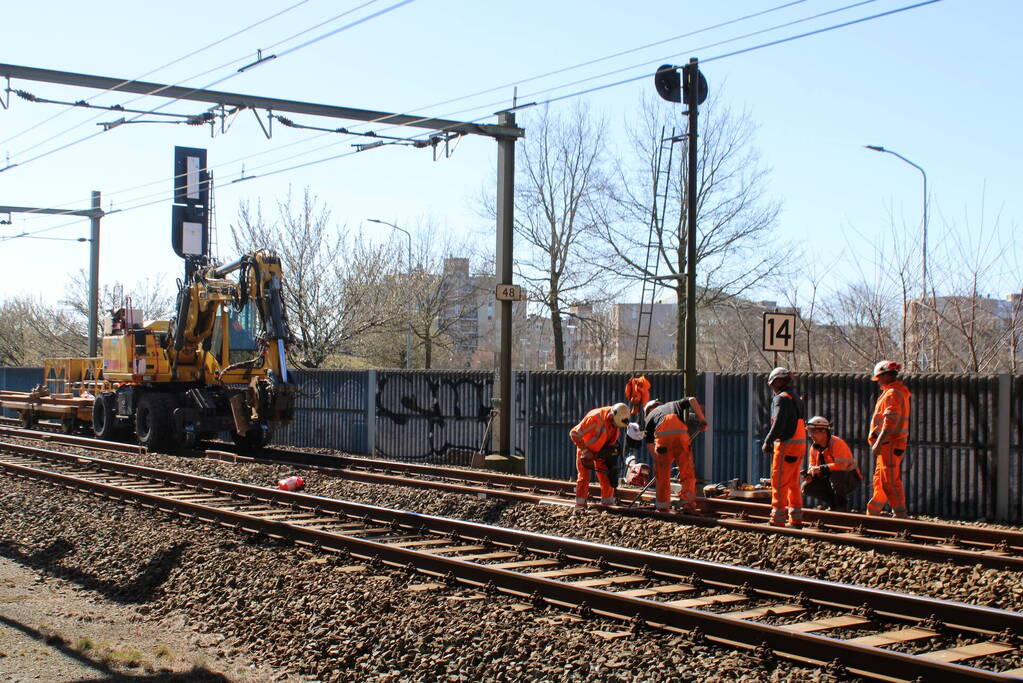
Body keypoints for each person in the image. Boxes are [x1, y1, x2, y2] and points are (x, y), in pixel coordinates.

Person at [642, 397, 708, 513]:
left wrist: (659, 460)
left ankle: (662, 506)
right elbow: (692, 399)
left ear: (647, 411)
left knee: (662, 475)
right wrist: (702, 419)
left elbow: (649, 444)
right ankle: (688, 503)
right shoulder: (673, 403)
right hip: (681, 437)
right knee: (687, 471)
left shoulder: (649, 417)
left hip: (663, 441)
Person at [865, 360, 912, 518]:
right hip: (888, 445)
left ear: (885, 375)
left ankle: (900, 516)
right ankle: (873, 513)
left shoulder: (892, 393)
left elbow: (890, 420)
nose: (877, 381)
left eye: (878, 377)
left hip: (889, 444)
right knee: (880, 480)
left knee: (890, 481)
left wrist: (878, 442)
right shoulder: (894, 392)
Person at [762, 367, 807, 528]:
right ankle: (796, 518)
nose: (772, 387)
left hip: (786, 444)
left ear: (779, 381)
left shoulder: (781, 398)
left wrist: (768, 440)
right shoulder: (796, 397)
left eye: (772, 383)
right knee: (793, 482)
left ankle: (777, 519)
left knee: (779, 481)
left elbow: (779, 422)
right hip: (800, 444)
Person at [570, 402, 631, 508]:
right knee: (584, 477)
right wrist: (585, 451)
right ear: (611, 416)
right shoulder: (594, 418)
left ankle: (607, 505)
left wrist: (609, 454)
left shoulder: (616, 422)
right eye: (614, 424)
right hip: (586, 450)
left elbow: (611, 439)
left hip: (602, 451)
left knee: (607, 475)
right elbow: (574, 433)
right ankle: (580, 505)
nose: (615, 427)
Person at [802, 416, 862, 511]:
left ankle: (841, 507)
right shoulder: (814, 448)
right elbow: (812, 466)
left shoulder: (837, 443)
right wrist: (810, 475)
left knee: (836, 475)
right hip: (830, 478)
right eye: (810, 432)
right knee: (807, 487)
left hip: (849, 478)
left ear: (824, 432)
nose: (811, 435)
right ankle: (833, 505)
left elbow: (842, 466)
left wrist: (821, 468)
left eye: (813, 432)